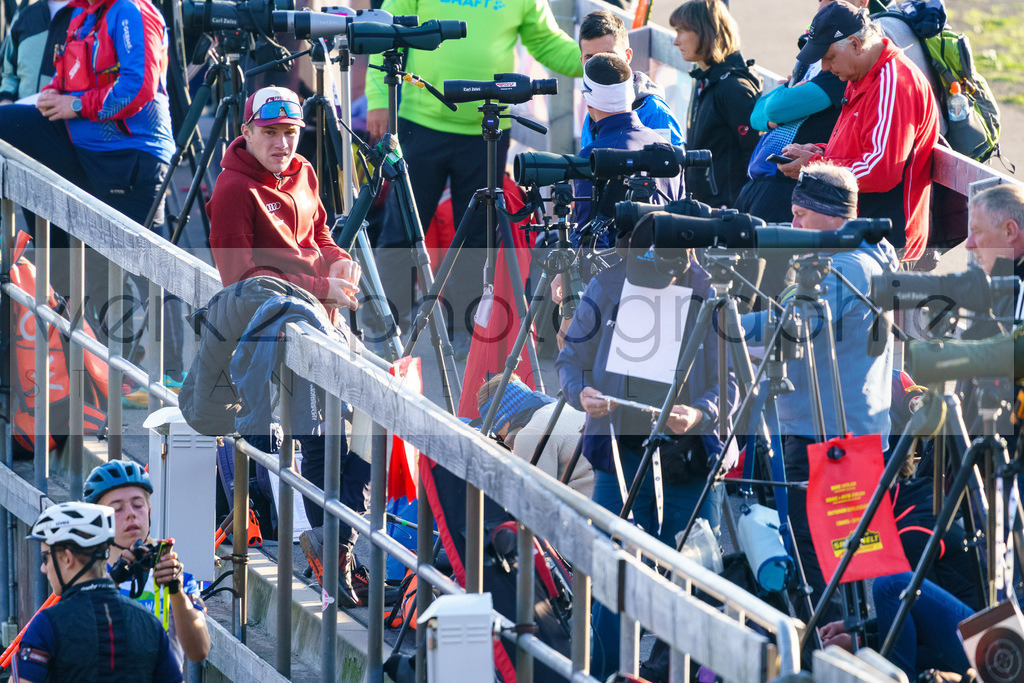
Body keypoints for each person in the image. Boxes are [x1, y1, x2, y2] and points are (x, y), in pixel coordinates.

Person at [206, 85, 370, 607]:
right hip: (271, 331)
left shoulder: (303, 171)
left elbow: (318, 232)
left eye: (290, 133)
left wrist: (338, 258)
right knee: (320, 442)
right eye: (271, 133)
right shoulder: (232, 190)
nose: (282, 144)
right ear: (246, 131)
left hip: (318, 321)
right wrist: (322, 289)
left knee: (355, 438)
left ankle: (334, 547)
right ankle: (332, 553)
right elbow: (241, 278)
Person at [557, 214, 737, 678]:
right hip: (618, 455)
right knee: (611, 584)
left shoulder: (711, 293)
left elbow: (730, 382)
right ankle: (605, 674)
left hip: (687, 464)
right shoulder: (607, 284)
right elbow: (570, 358)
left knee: (691, 590)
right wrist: (581, 392)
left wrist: (699, 415)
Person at [365, 0, 583, 355]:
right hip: (421, 122)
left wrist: (597, 60)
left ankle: (466, 327)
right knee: (403, 224)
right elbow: (386, 33)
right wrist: (377, 97)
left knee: (478, 235)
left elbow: (546, 42)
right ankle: (387, 323)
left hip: (488, 126)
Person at [0, 0, 183, 403]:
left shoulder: (133, 11)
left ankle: (172, 374)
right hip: (85, 151)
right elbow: (68, 83)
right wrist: (51, 96)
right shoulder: (82, 15)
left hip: (133, 158)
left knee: (146, 266)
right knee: (7, 125)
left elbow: (138, 87)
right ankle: (114, 368)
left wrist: (75, 104)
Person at [742, 161, 898, 617]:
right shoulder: (866, 257)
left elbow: (792, 328)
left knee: (821, 561)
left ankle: (825, 650)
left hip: (826, 437)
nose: (793, 227)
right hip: (849, 429)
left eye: (800, 216)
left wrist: (723, 323)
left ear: (832, 216)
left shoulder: (844, 267)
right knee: (853, 560)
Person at [779, 1, 939, 263]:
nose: (827, 68)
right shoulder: (861, 74)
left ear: (855, 44)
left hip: (888, 241)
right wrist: (818, 151)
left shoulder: (892, 83)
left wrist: (816, 166)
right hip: (866, 232)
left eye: (829, 58)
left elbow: (879, 169)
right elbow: (859, 151)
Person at [17, 501, 183, 682]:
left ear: (67, 558)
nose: (43, 568)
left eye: (45, 558)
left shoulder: (46, 625)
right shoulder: (149, 623)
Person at [84, 460, 210, 666]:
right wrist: (112, 582)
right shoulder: (86, 579)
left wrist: (176, 593)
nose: (131, 513)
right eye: (117, 508)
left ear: (149, 512)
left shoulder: (177, 576)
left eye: (138, 505)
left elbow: (199, 651)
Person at [574, 53, 685, 233]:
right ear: (631, 95)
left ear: (588, 101)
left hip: (618, 261)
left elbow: (588, 241)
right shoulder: (668, 150)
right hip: (670, 259)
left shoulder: (591, 156)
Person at [669, 0, 761, 209]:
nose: (676, 41)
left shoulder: (733, 88)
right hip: (705, 208)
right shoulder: (705, 80)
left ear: (705, 32)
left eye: (682, 31)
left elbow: (755, 156)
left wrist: (739, 206)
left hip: (727, 213)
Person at [578, 10, 684, 149]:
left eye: (609, 55)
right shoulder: (592, 109)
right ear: (581, 61)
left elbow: (675, 167)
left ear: (628, 56)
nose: (600, 63)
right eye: (590, 58)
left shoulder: (654, 111)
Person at [476, 374, 593, 496]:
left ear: (503, 420)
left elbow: (537, 501)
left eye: (497, 431)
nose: (500, 438)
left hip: (594, 509)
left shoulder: (530, 434)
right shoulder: (565, 407)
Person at [0, 0, 73, 104]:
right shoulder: (25, 15)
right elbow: (9, 74)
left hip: (65, 117)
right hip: (20, 113)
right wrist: (5, 99)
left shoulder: (88, 17)